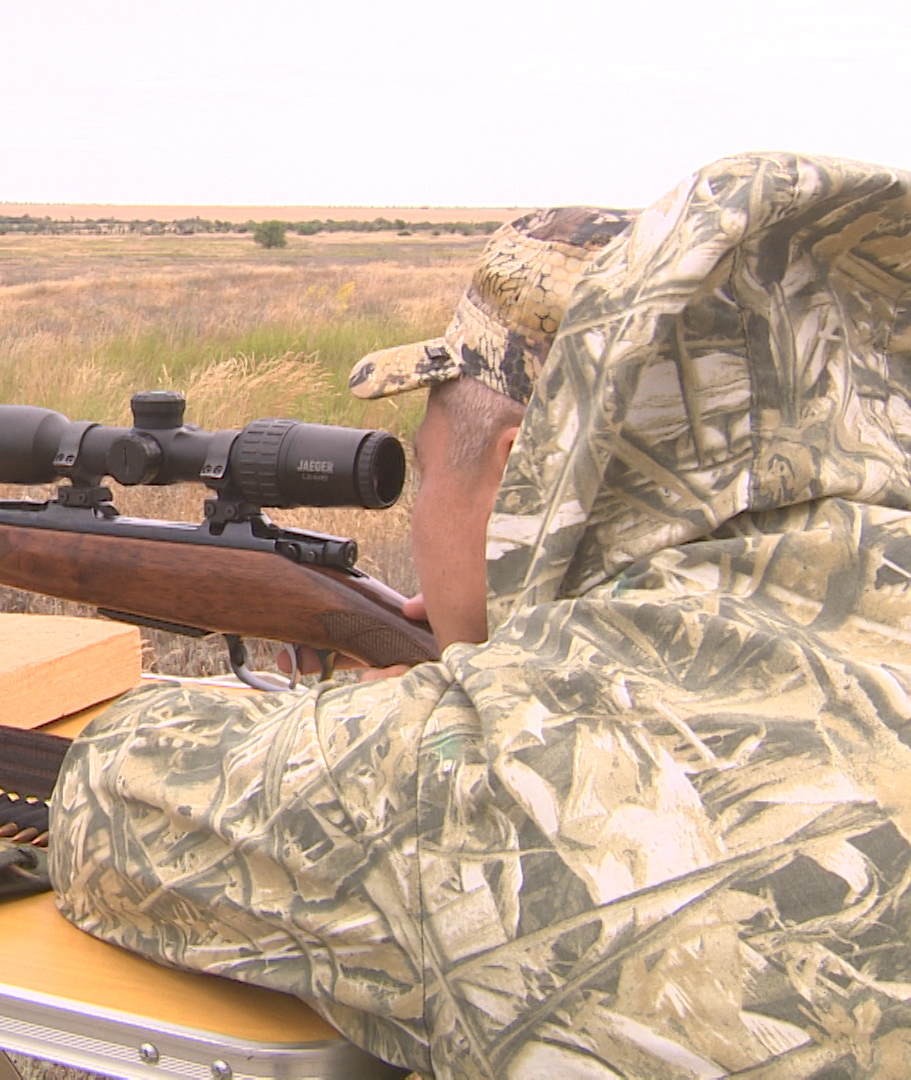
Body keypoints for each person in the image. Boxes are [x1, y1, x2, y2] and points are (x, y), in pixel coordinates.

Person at [49, 152, 911, 1078]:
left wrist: (391, 723)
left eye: (423, 471)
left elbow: (108, 791)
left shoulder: (494, 771)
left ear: (511, 473)